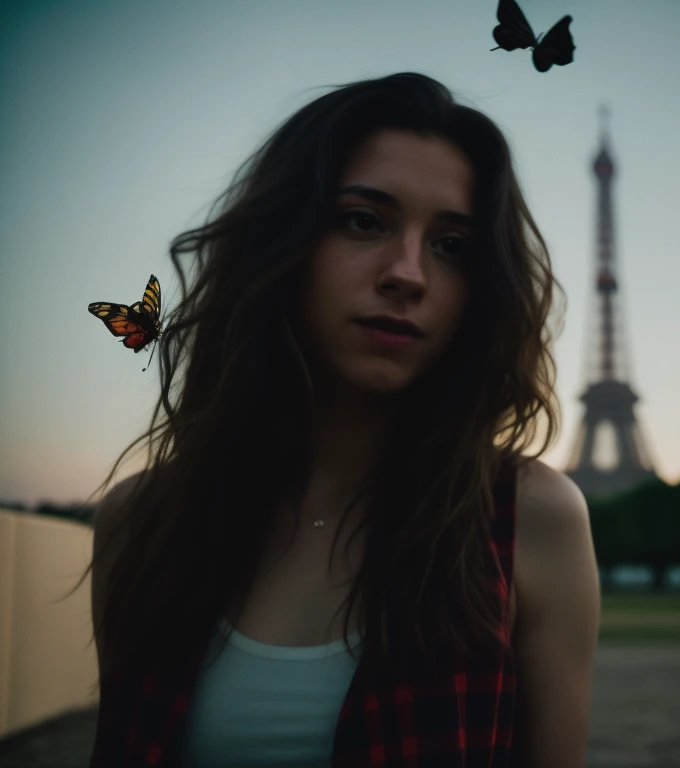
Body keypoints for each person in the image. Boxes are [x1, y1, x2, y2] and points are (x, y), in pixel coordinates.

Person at [70, 71, 600, 767]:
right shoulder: (139, 523)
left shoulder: (527, 519)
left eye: (451, 246)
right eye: (363, 221)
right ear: (280, 244)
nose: (407, 273)